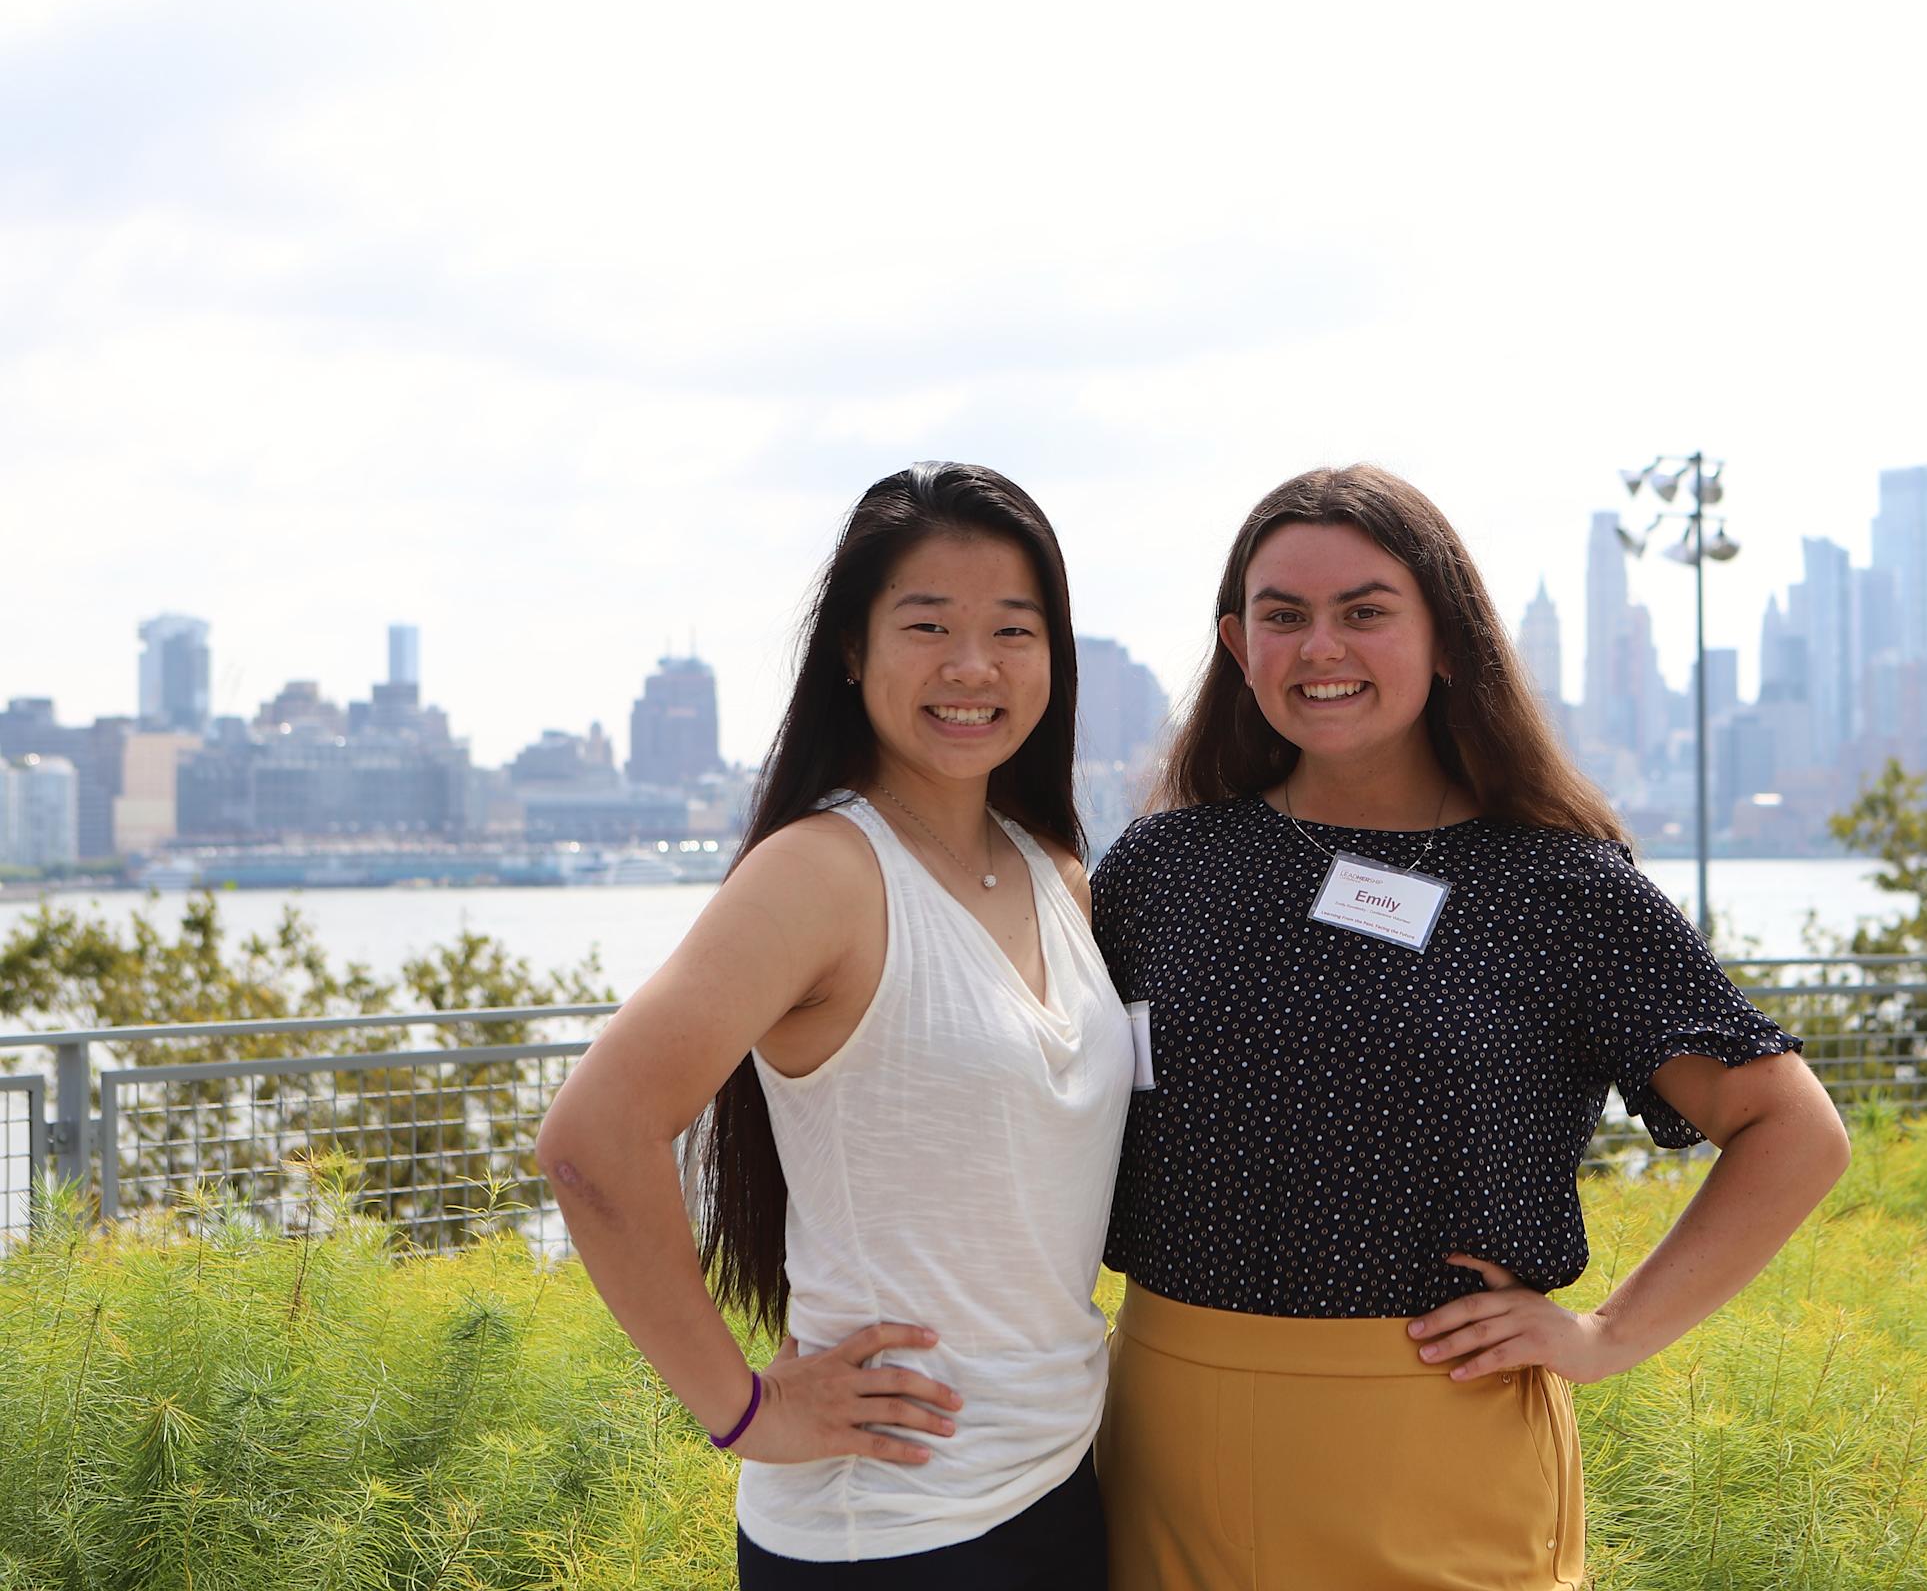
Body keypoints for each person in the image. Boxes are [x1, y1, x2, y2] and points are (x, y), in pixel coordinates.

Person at [1090, 465, 1851, 1590]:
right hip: (1163, 1430)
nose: (1320, 648)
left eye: (1365, 611)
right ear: (1237, 646)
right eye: (1283, 616)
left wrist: (1606, 1337)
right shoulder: (1163, 868)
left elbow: (1793, 1130)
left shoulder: (1558, 887)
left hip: (1432, 1445)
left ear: (1446, 639)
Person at [535, 462, 1131, 1589]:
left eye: (1014, 628)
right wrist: (743, 1409)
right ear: (853, 652)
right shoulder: (820, 872)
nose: (972, 666)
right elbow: (592, 1138)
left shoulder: (1053, 871)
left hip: (1063, 1483)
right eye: (928, 625)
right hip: (890, 1528)